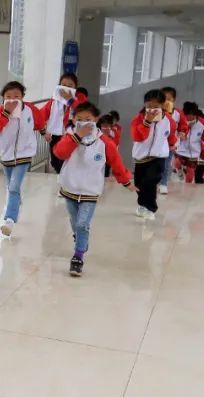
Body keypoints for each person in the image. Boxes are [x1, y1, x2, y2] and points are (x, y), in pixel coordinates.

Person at [54, 101, 134, 276]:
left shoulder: (104, 142)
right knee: (75, 223)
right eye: (80, 119)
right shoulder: (68, 136)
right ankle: (81, 240)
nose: (84, 122)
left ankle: (78, 256)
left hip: (90, 191)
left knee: (83, 224)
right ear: (74, 119)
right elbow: (60, 153)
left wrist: (126, 181)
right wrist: (76, 137)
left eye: (88, 119)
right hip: (70, 188)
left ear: (96, 120)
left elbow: (117, 163)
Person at [0, 80, 44, 236]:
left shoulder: (30, 109)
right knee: (11, 186)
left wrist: (46, 134)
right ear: (3, 98)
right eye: (8, 96)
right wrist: (5, 113)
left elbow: (39, 122)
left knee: (13, 187)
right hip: (6, 155)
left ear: (23, 97)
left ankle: (10, 220)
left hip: (25, 155)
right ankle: (17, 202)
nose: (13, 99)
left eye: (17, 96)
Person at [129, 88, 177, 221]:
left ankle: (151, 208)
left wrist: (173, 144)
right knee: (140, 183)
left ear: (163, 105)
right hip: (141, 157)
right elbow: (137, 137)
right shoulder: (138, 119)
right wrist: (147, 122)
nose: (152, 109)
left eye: (156, 106)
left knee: (150, 182)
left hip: (159, 157)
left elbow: (171, 135)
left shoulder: (169, 121)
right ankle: (142, 205)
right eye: (149, 106)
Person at [42, 72, 79, 173]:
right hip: (55, 136)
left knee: (65, 161)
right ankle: (62, 177)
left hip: (71, 136)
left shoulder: (78, 101)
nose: (66, 88)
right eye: (63, 85)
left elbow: (81, 112)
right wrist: (44, 131)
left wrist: (69, 100)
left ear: (75, 87)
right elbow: (40, 116)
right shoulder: (52, 102)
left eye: (70, 85)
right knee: (54, 162)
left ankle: (65, 181)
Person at [158, 86, 189, 195]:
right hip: (156, 143)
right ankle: (155, 182)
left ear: (174, 100)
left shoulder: (178, 113)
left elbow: (184, 125)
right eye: (164, 99)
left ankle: (163, 184)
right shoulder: (157, 111)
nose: (167, 101)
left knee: (166, 164)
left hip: (170, 144)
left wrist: (182, 132)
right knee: (156, 164)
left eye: (170, 99)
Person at [175, 102, 204, 184]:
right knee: (177, 162)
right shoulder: (181, 120)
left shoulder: (203, 123)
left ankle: (188, 187)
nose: (189, 117)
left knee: (190, 172)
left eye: (191, 115)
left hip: (194, 152)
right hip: (182, 149)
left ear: (196, 114)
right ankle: (179, 171)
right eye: (187, 115)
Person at [96, 113, 115, 178]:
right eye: (105, 126)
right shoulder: (95, 136)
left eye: (110, 126)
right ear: (100, 126)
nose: (107, 128)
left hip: (107, 162)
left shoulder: (112, 135)